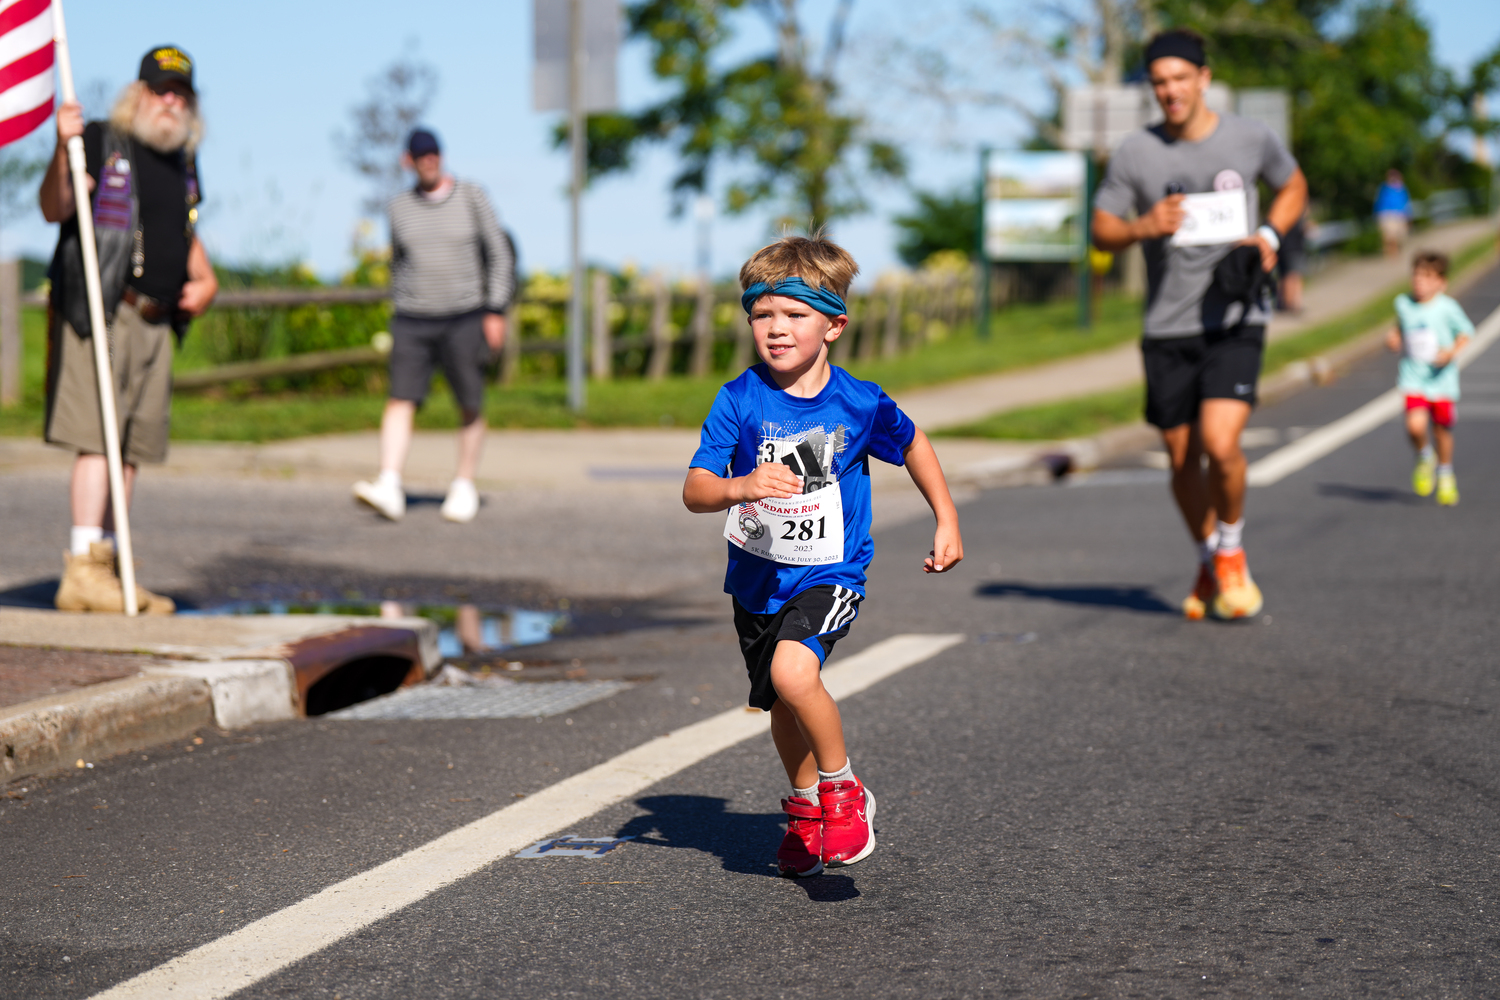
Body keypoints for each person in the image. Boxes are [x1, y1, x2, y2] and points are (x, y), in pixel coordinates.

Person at [682, 234, 964, 877]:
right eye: (762, 315)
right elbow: (696, 491)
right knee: (780, 701)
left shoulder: (858, 402)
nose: (776, 329)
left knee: (793, 675)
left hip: (831, 570)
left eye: (794, 315)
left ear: (834, 324)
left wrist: (945, 518)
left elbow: (914, 443)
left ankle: (843, 793)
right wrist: (741, 485)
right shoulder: (739, 399)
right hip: (757, 578)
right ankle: (807, 808)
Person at [1092, 29, 1307, 621]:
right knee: (1182, 459)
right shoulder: (1137, 152)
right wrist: (1143, 226)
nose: (1170, 91)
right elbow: (1101, 227)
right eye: (1159, 82)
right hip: (1167, 326)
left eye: (1180, 79)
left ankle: (1231, 552)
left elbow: (1292, 185)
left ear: (1204, 78)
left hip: (1237, 316)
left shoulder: (1250, 137)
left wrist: (1268, 236)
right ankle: (1208, 557)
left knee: (1221, 443)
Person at [40, 46, 218, 614]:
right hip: (103, 308)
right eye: (161, 90)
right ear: (138, 94)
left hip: (159, 320)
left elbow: (180, 230)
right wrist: (57, 150)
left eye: (181, 94)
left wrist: (204, 277)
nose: (171, 102)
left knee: (131, 448)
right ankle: (83, 566)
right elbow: (55, 207)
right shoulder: (98, 139)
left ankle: (108, 567)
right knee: (99, 439)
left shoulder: (182, 159)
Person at [352, 128, 515, 523]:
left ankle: (463, 485)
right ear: (409, 161)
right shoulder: (399, 207)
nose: (429, 161)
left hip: (465, 314)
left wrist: (495, 309)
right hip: (412, 318)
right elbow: (399, 261)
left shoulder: (473, 196)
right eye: (421, 156)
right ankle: (389, 483)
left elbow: (499, 254)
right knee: (400, 398)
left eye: (434, 155)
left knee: (469, 401)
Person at [1384, 251, 1473, 505]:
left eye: (1427, 277)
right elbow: (1400, 326)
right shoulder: (1403, 303)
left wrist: (1451, 352)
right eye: (1416, 275)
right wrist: (1393, 338)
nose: (1419, 282)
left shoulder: (1447, 307)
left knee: (1442, 430)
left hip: (1441, 380)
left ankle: (1445, 473)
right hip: (1414, 378)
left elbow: (1466, 332)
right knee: (1415, 426)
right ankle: (1424, 455)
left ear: (1441, 283)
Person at [1374, 169, 1412, 258]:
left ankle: (1395, 253)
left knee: (1399, 237)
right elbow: (1379, 202)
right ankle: (1392, 254)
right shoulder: (1384, 188)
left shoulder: (1402, 188)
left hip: (1400, 215)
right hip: (1387, 214)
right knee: (1390, 237)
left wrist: (1408, 214)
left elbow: (1406, 202)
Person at [1277, 215, 1307, 314]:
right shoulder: (1296, 217)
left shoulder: (1281, 217)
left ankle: (1284, 303)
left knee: (1285, 277)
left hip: (1282, 249)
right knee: (1294, 276)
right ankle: (1293, 304)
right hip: (1294, 249)